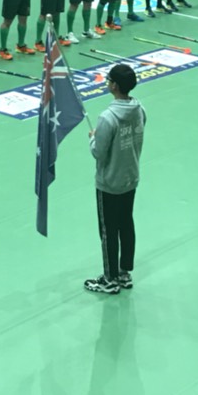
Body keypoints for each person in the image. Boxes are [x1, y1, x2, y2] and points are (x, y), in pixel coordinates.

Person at [84, 62, 146, 296]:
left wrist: (93, 138)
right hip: (130, 177)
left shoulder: (107, 118)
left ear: (115, 86)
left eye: (109, 80)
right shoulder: (139, 109)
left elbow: (98, 152)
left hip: (109, 183)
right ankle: (124, 272)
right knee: (126, 223)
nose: (108, 83)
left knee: (108, 230)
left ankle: (109, 279)